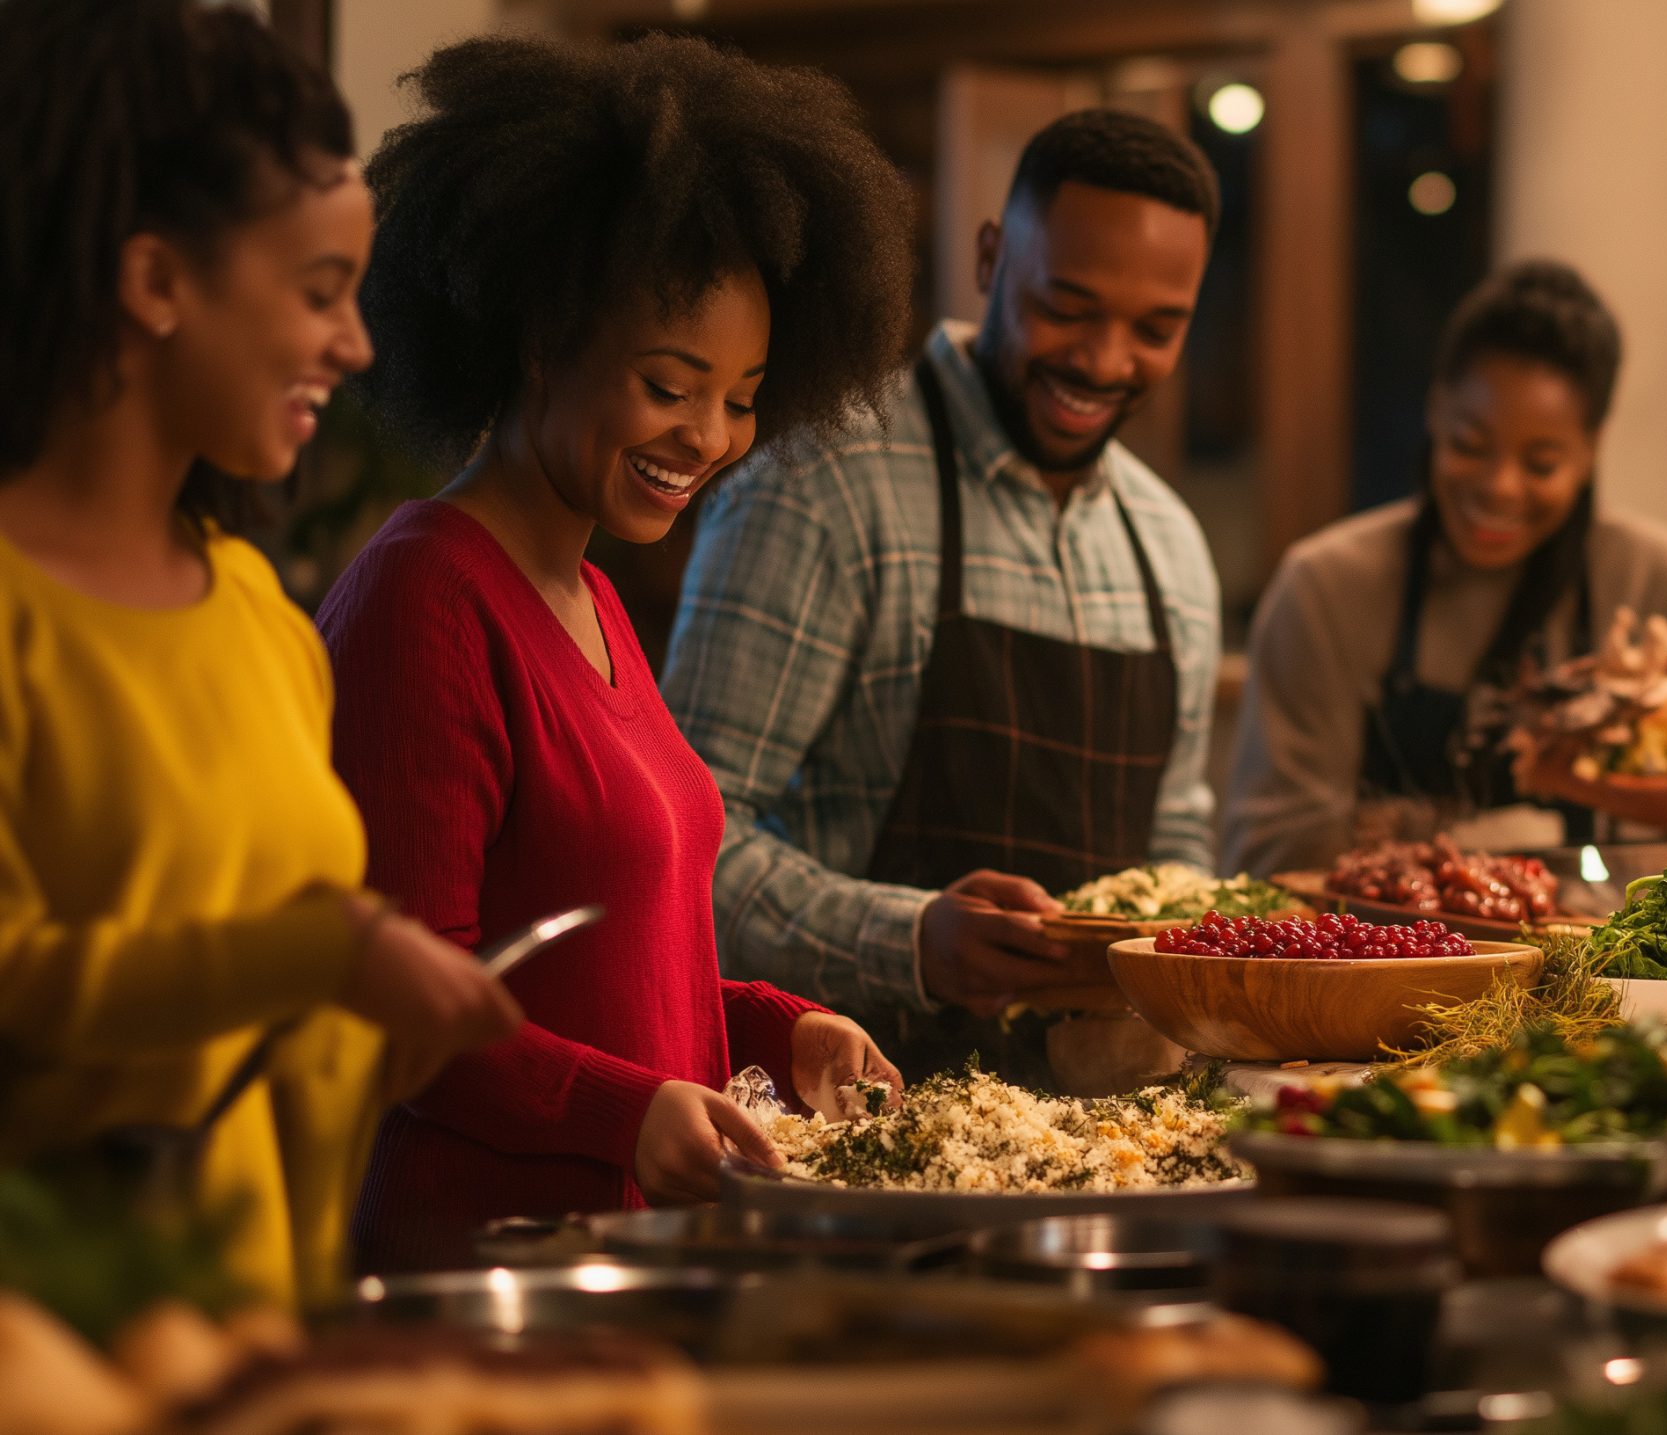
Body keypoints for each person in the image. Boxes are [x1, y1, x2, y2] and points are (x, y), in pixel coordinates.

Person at [317, 33, 914, 1272]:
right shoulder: (424, 594)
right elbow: (403, 1012)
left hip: (634, 1271)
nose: (707, 435)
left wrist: (775, 1029)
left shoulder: (589, 591)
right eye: (667, 383)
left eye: (743, 396)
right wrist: (620, 1114)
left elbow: (607, 975)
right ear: (540, 335)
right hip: (491, 1280)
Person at [0, 0, 522, 1306]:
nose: (354, 345)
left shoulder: (258, 616)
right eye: (319, 292)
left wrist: (379, 1026)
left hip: (244, 1339)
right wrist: (327, 955)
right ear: (159, 281)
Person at [664, 109, 1223, 1087]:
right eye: (1068, 305)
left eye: (1155, 328)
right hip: (855, 1128)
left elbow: (1176, 847)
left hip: (1117, 1141)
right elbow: (681, 850)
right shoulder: (819, 483)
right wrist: (912, 938)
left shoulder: (1169, 545)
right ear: (990, 256)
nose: (1102, 359)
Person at [1222, 261, 1667, 876]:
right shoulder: (1326, 590)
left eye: (1540, 464)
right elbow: (1267, 854)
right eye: (1469, 445)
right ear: (1435, 412)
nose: (1499, 487)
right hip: (1380, 961)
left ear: (1591, 450)